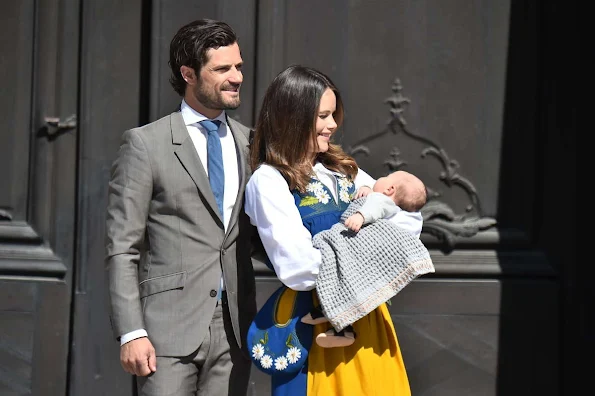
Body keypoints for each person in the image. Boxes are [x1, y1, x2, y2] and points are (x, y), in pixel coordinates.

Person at [245, 64, 423, 395]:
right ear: (293, 118)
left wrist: (341, 254)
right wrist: (375, 252)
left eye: (333, 114)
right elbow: (298, 268)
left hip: (369, 322)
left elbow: (409, 222)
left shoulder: (343, 171)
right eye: (323, 116)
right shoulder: (269, 181)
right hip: (317, 329)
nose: (333, 125)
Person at [105, 19, 257, 396]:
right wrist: (132, 331)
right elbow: (122, 247)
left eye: (238, 66)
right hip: (165, 334)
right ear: (188, 73)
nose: (236, 76)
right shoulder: (145, 144)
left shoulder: (253, 144)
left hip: (236, 330)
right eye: (222, 69)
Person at [301, 170, 433, 348]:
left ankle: (330, 316)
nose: (376, 179)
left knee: (341, 270)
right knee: (356, 285)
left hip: (358, 244)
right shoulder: (405, 216)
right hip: (372, 260)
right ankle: (340, 327)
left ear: (389, 189)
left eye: (384, 177)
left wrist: (360, 215)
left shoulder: (381, 201)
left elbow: (376, 206)